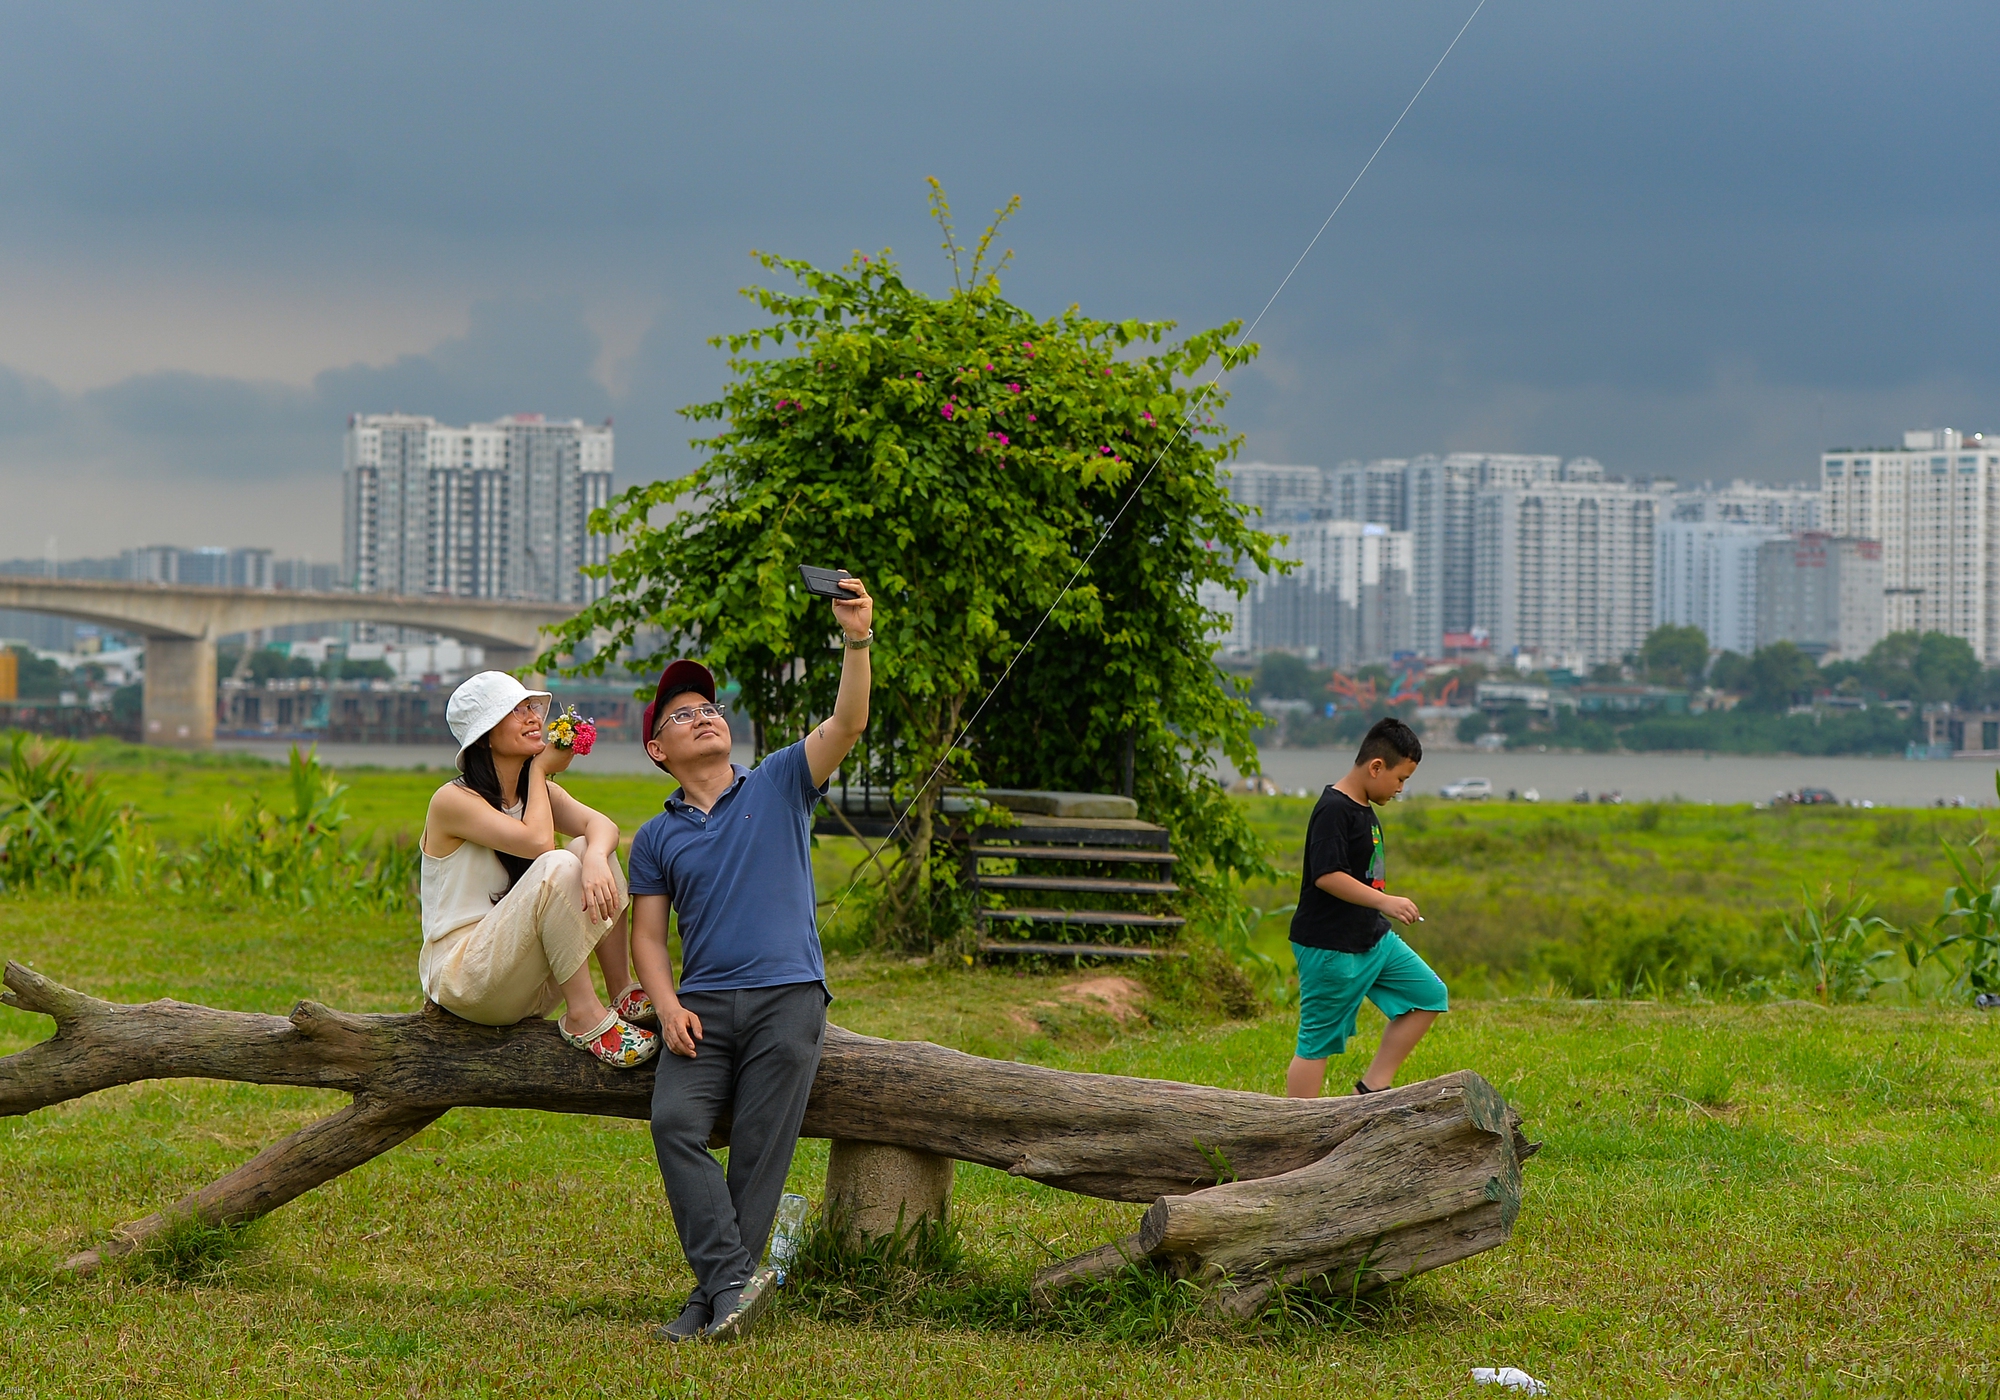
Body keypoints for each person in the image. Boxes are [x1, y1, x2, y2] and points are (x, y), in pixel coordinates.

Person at [628, 575, 874, 1344]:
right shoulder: (656, 836)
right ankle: (731, 1281)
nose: (703, 718)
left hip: (787, 998)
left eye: (709, 709)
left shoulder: (777, 782)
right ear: (656, 748)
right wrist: (666, 1007)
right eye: (682, 716)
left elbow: (847, 722)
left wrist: (857, 637)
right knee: (674, 1123)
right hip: (701, 1007)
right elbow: (646, 938)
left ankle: (711, 1298)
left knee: (761, 1152)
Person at [418, 670, 659, 1068]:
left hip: (524, 980)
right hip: (466, 980)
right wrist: (540, 769)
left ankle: (621, 991)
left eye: (532, 707)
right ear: (485, 734)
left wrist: (595, 858)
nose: (534, 717)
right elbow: (538, 845)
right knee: (561, 861)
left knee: (586, 847)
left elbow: (604, 827)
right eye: (516, 711)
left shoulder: (536, 793)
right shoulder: (452, 800)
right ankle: (583, 1015)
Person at [1284, 716, 1448, 1100]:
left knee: (1428, 994)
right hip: (1329, 947)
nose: (1401, 789)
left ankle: (1371, 1091)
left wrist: (1380, 909)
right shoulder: (1333, 809)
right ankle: (1295, 1131)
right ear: (1376, 767)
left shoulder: (1364, 807)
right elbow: (1327, 875)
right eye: (1401, 779)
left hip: (1371, 939)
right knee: (1316, 1043)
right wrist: (1385, 901)